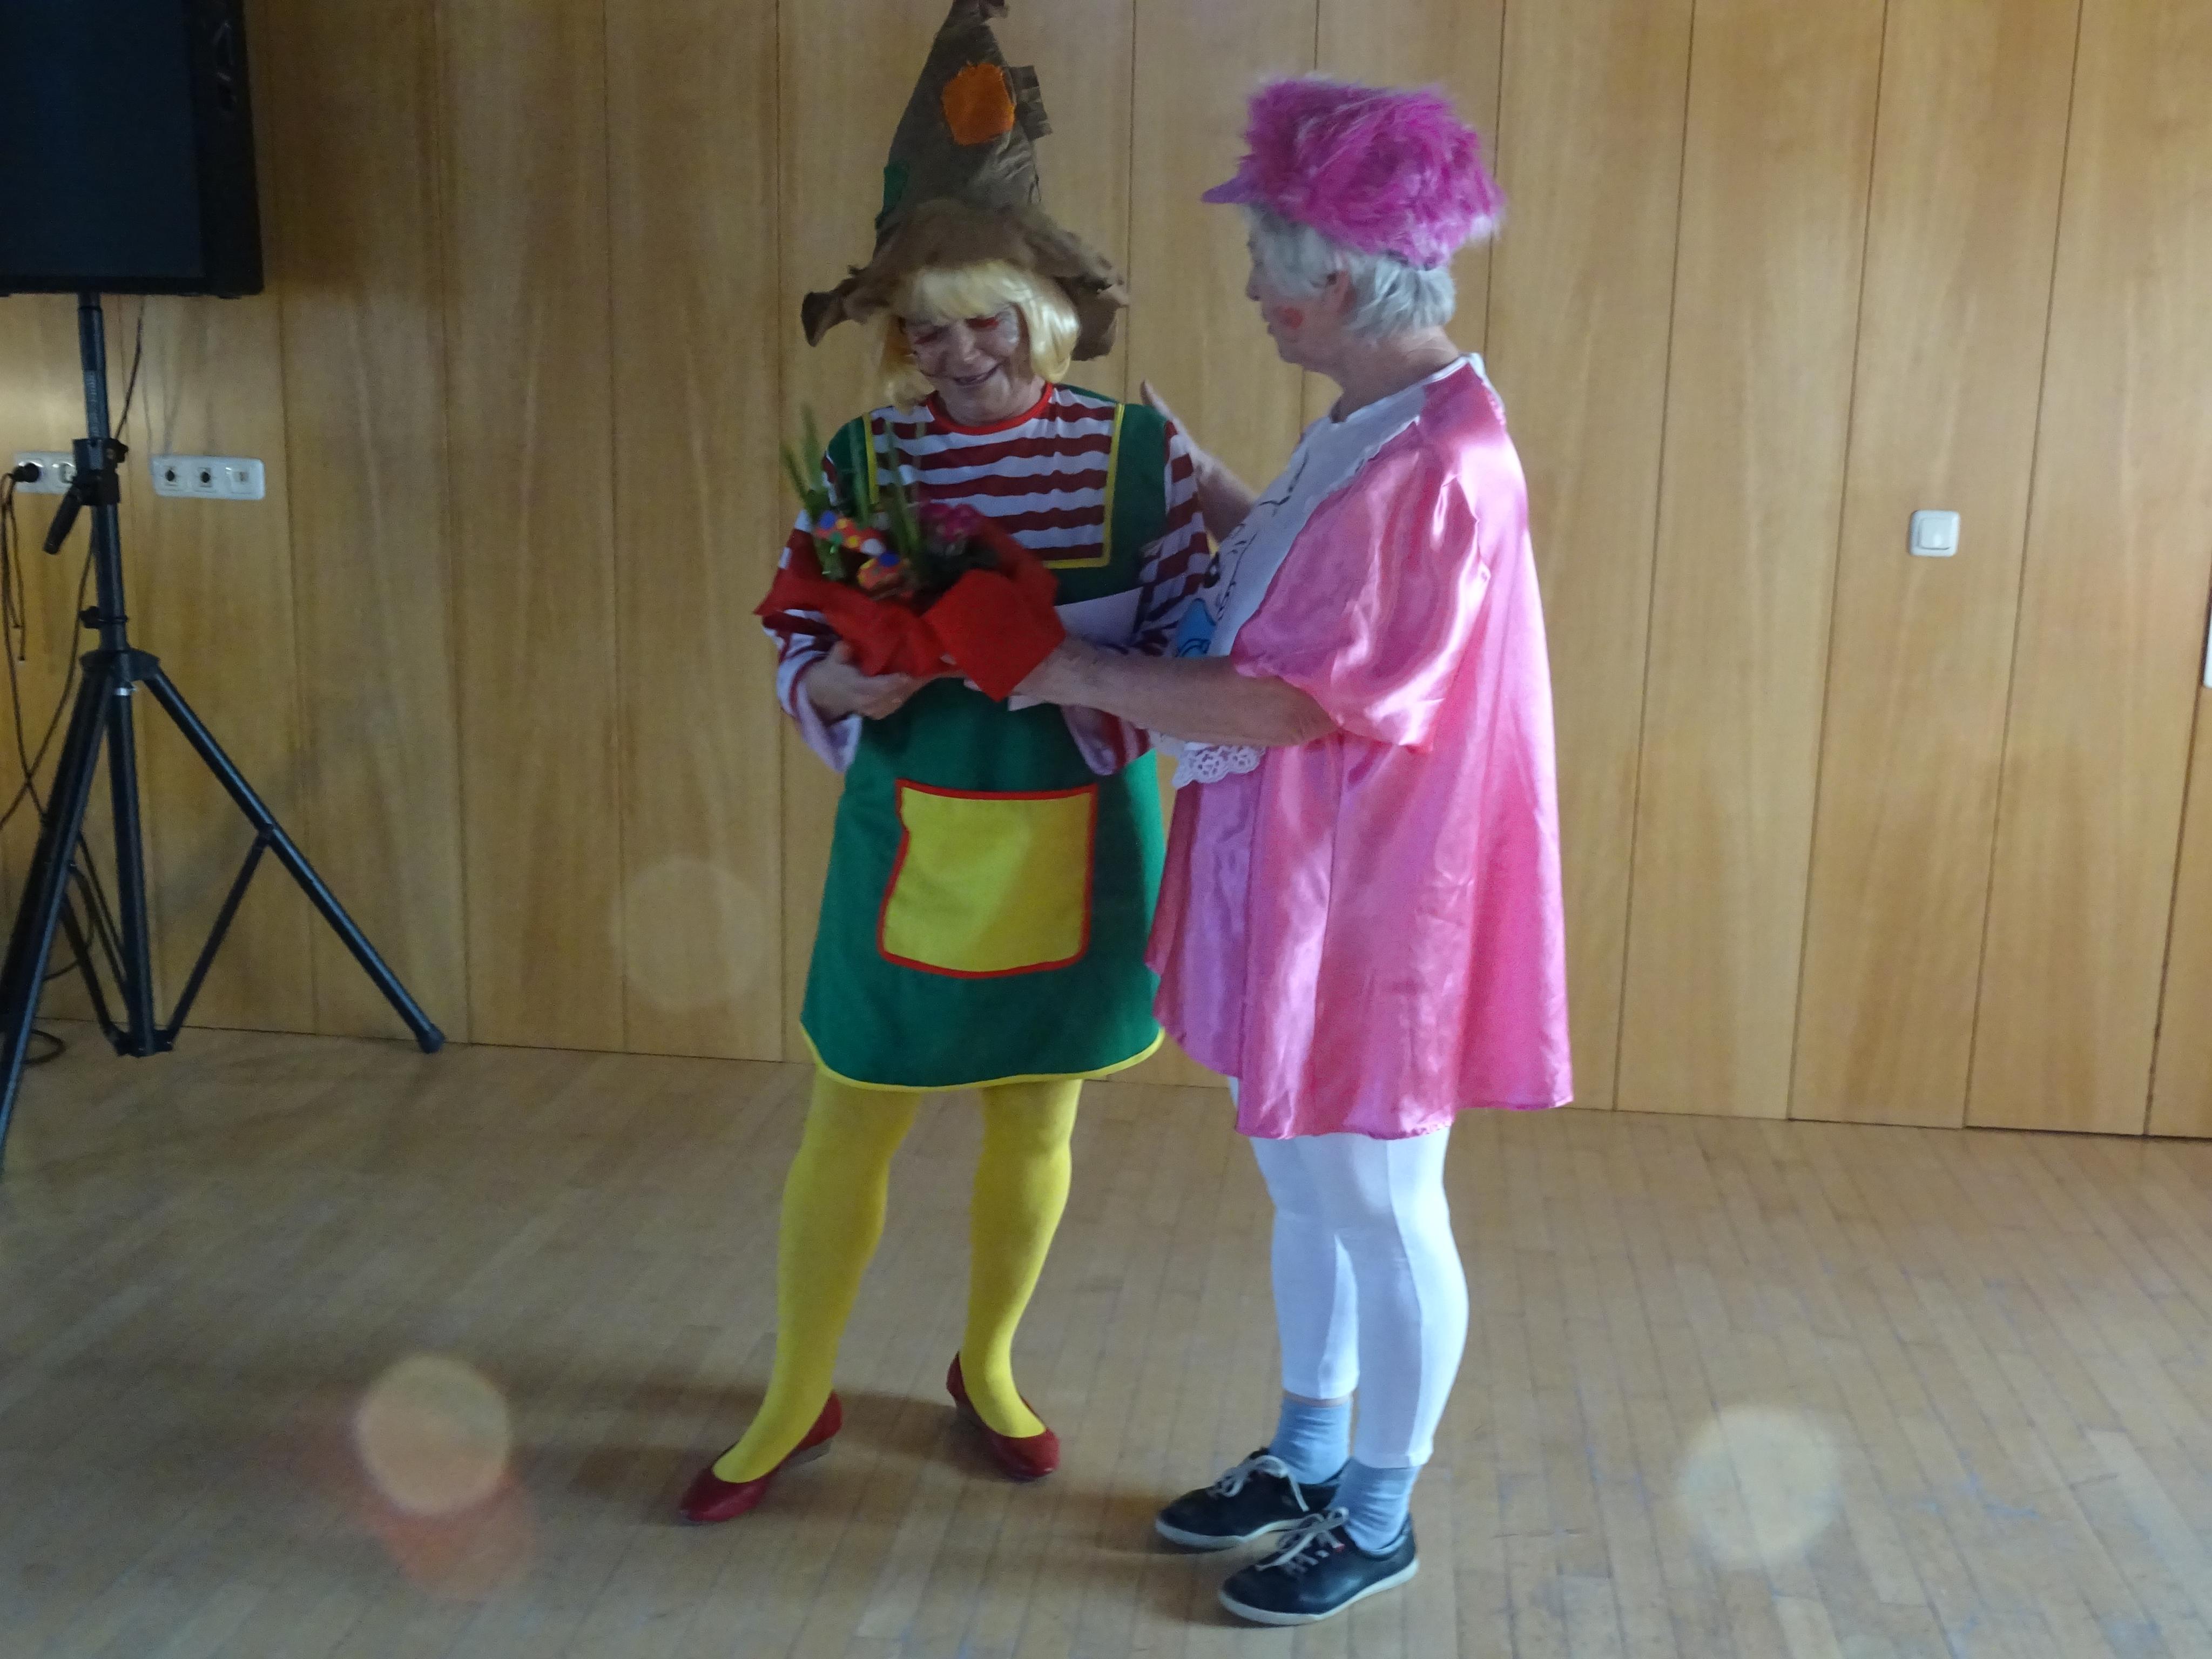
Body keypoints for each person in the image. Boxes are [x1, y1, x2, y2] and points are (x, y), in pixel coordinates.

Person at [1015, 77, 1572, 1624]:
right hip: (1308, 869)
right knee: (1307, 1188)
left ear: (1338, 277)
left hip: (1381, 896)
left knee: (1381, 1203)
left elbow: (1299, 695)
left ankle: (1377, 1512)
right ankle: (1310, 1452)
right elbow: (1326, 603)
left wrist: (1074, 672)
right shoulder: (1375, 425)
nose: (1253, 293)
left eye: (1268, 265)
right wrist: (1214, 491)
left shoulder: (1439, 462)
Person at [679, 0, 1206, 1526]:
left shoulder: (1139, 456)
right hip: (909, 827)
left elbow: (1196, 648)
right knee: (853, 1103)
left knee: (1039, 1113)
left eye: (986, 322)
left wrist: (1089, 685)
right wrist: (848, 678)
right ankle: (797, 1391)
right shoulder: (863, 461)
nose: (959, 354)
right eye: (925, 328)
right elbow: (797, 634)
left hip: (1083, 827)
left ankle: (991, 1366)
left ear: (1041, 312)